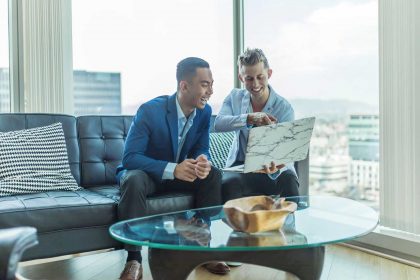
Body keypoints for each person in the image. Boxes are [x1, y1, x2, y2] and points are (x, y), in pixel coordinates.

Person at [116, 57, 229, 280]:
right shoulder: (150, 110)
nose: (211, 91)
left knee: (213, 174)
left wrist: (202, 161)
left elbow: (201, 147)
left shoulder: (204, 112)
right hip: (147, 175)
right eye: (205, 84)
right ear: (184, 86)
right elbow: (130, 158)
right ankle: (134, 260)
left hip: (177, 173)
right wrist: (172, 168)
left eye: (211, 84)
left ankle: (202, 246)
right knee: (134, 179)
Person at [214, 48, 300, 202]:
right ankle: (236, 225)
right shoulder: (235, 97)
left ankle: (289, 226)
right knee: (228, 185)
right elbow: (219, 124)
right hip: (241, 167)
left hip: (274, 168)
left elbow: (287, 153)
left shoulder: (284, 108)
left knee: (289, 181)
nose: (255, 84)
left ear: (269, 74)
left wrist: (275, 167)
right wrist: (249, 118)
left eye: (260, 77)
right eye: (249, 78)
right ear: (241, 78)